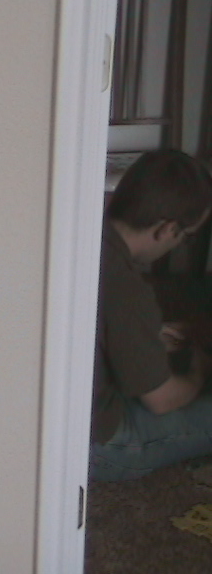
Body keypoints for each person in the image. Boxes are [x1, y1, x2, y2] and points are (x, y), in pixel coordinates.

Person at [91, 148, 212, 482]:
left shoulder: (87, 239)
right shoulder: (128, 289)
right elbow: (162, 400)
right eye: (186, 237)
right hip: (102, 444)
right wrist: (198, 373)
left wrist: (148, 334)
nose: (181, 243)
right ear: (167, 229)